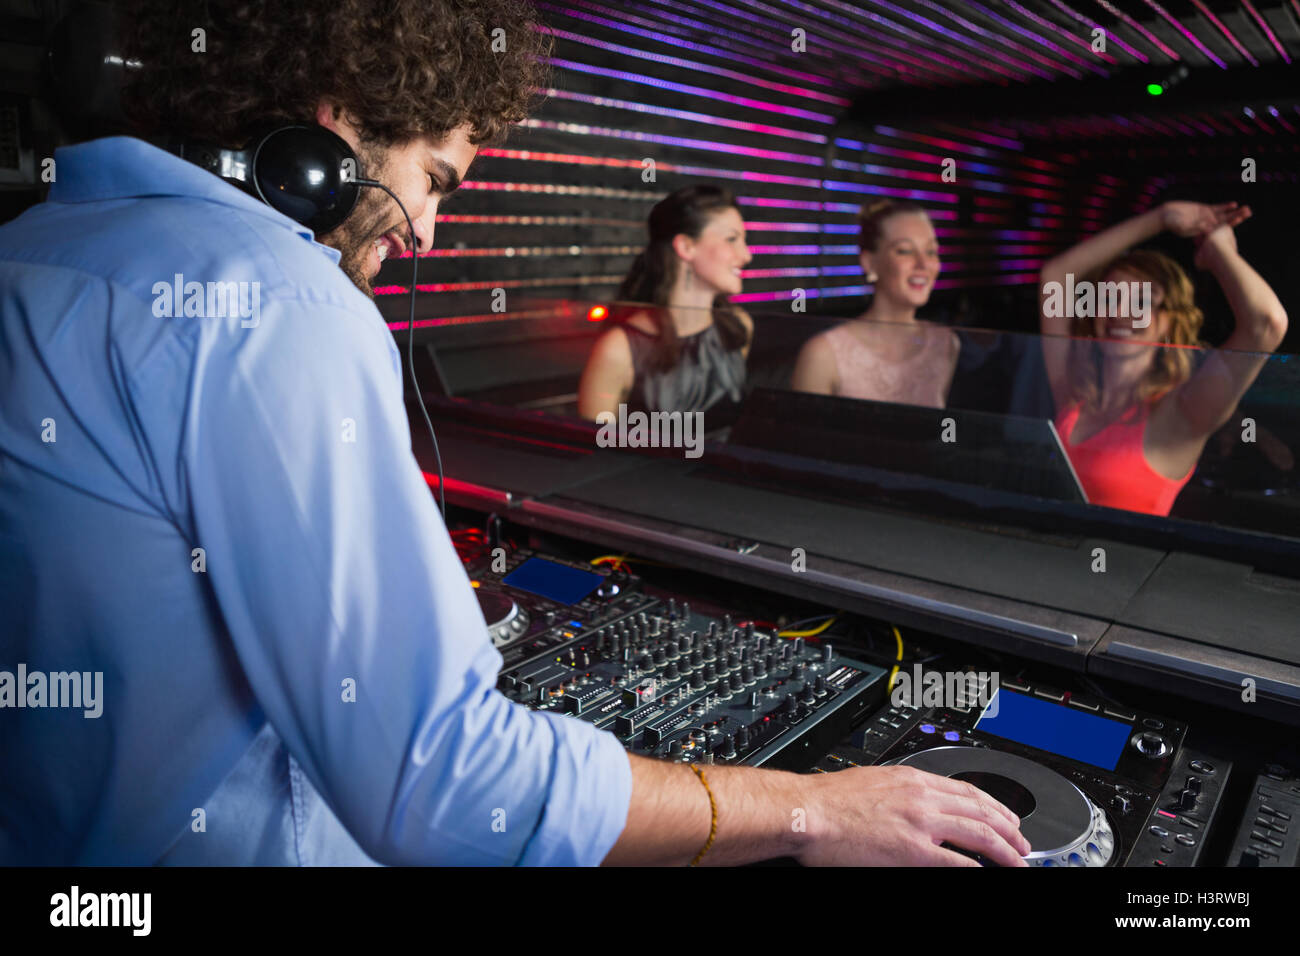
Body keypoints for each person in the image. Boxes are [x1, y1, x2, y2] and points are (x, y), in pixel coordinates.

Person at [0, 0, 1029, 867]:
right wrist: (809, 809)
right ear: (337, 121)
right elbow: (442, 783)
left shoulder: (30, 251)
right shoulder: (279, 303)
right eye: (436, 180)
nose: (427, 232)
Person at [1038, 201, 1287, 516]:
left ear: (1170, 321)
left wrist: (1218, 252)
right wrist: (1161, 217)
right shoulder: (1075, 395)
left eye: (1141, 302)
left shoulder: (1181, 412)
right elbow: (1055, 278)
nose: (1119, 312)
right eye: (1109, 298)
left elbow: (1266, 324)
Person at [577, 185, 754, 427]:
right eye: (731, 239)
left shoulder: (736, 329)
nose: (746, 255)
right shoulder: (619, 349)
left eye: (744, 240)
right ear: (686, 247)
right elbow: (591, 444)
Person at [791, 199, 958, 408]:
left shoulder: (946, 345)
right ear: (869, 262)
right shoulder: (823, 355)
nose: (923, 264)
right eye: (905, 250)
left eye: (931, 251)